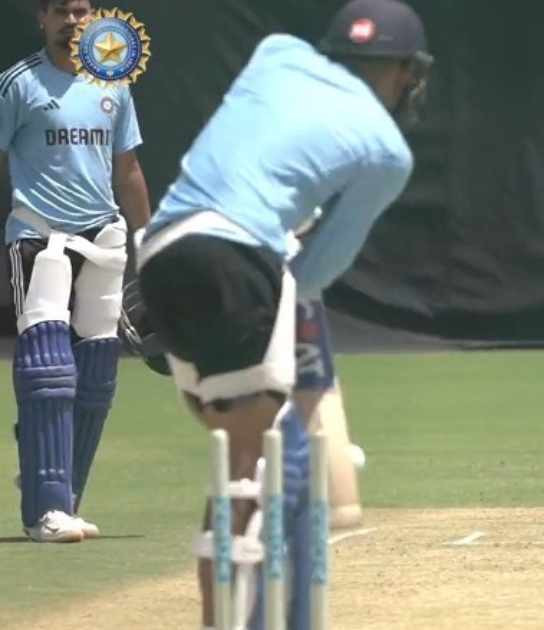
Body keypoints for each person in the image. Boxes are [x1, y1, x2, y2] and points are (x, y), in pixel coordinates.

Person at [135, 0, 431, 626]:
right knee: (252, 465)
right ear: (405, 70)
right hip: (237, 255)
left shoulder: (276, 53)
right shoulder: (387, 150)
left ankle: (223, 613)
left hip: (160, 251)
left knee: (234, 456)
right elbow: (318, 272)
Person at [1, 0, 151, 542]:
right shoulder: (18, 84)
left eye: (80, 9)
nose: (71, 20)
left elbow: (128, 168)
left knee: (96, 376)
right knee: (48, 369)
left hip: (104, 238)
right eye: (59, 10)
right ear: (41, 18)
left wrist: (148, 240)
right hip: (39, 235)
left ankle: (62, 500)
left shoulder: (114, 83)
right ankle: (43, 512)